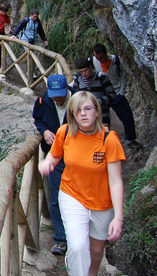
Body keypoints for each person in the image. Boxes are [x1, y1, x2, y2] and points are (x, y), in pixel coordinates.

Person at [38, 91, 125, 276]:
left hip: (102, 202)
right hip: (72, 195)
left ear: (97, 112)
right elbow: (54, 156)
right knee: (77, 247)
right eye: (78, 110)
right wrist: (46, 164)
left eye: (88, 109)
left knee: (95, 251)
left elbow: (116, 181)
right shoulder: (65, 132)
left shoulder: (109, 140)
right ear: (72, 114)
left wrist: (118, 217)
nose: (83, 113)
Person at [33, 74, 71, 255]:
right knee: (56, 196)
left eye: (61, 95)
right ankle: (61, 239)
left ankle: (82, 235)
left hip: (77, 156)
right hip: (55, 156)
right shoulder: (42, 100)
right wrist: (45, 130)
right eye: (54, 95)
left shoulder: (78, 100)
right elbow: (37, 119)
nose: (57, 98)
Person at [91, 44, 140, 150]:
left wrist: (121, 93)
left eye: (101, 57)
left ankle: (131, 139)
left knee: (127, 117)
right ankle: (102, 143)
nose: (100, 60)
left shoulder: (116, 60)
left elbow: (123, 76)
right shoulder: (92, 61)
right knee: (101, 120)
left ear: (106, 54)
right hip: (102, 94)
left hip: (116, 93)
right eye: (97, 58)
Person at [69, 58, 115, 128]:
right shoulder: (78, 80)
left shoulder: (101, 77)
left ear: (90, 67)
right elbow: (75, 96)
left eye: (85, 70)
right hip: (85, 116)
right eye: (81, 72)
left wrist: (98, 102)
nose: (84, 73)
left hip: (102, 114)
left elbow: (112, 95)